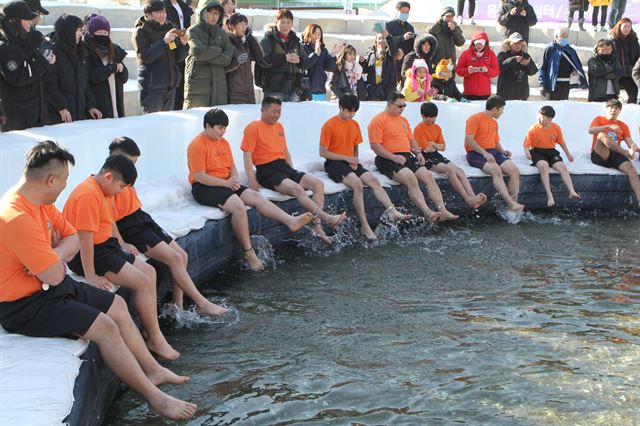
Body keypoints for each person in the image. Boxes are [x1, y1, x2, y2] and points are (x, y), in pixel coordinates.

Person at [0, 141, 197, 421]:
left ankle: (151, 368)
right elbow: (56, 273)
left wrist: (52, 256)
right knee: (105, 326)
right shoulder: (17, 216)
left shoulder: (39, 203)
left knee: (116, 304)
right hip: (24, 306)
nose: (65, 187)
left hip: (50, 288)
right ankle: (156, 399)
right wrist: (54, 261)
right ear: (50, 180)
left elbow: (72, 238)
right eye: (64, 181)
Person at [63, 155, 180, 361]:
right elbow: (84, 238)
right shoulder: (88, 195)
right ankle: (155, 338)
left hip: (106, 245)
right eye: (120, 187)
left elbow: (108, 223)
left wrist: (121, 242)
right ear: (108, 177)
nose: (120, 192)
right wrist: (90, 275)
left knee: (150, 272)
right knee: (143, 282)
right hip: (89, 252)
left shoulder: (103, 189)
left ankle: (151, 331)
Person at [109, 137, 228, 316]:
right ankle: (201, 302)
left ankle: (177, 305)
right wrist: (120, 242)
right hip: (129, 227)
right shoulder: (109, 180)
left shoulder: (124, 175)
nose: (133, 167)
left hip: (141, 218)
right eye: (130, 162)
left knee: (182, 255)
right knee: (174, 258)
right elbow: (108, 217)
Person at [189, 108, 313, 270]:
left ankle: (290, 221)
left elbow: (231, 166)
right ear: (207, 126)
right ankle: (249, 253)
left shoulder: (223, 142)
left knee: (256, 197)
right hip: (205, 187)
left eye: (225, 128)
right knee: (239, 207)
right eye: (219, 128)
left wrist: (234, 178)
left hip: (225, 182)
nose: (223, 132)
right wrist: (227, 184)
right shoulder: (197, 145)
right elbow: (199, 176)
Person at [241, 97, 345, 244]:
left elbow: (285, 150)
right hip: (267, 170)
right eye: (273, 111)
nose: (276, 115)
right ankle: (327, 218)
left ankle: (316, 225)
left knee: (318, 184)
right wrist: (252, 179)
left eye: (279, 111)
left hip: (283, 167)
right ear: (263, 110)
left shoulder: (279, 127)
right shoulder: (253, 127)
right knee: (297, 189)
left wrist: (291, 170)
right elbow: (247, 154)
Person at [319, 94, 410, 240]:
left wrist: (354, 159)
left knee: (373, 181)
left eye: (354, 111)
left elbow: (355, 147)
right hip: (334, 163)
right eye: (349, 111)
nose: (351, 115)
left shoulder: (354, 124)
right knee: (358, 185)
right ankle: (365, 225)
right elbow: (323, 152)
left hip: (350, 161)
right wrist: (345, 158)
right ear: (341, 108)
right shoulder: (329, 125)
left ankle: (392, 210)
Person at [367, 92, 458, 222]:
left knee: (428, 177)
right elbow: (375, 146)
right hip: (387, 158)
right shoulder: (378, 121)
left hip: (407, 155)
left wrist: (418, 153)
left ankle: (442, 211)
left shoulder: (403, 120)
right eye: (399, 106)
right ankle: (427, 212)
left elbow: (411, 140)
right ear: (390, 104)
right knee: (411, 179)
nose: (402, 108)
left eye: (404, 105)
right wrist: (393, 157)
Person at [414, 102, 487, 209]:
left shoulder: (437, 128)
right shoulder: (418, 129)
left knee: (460, 171)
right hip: (426, 157)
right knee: (449, 170)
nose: (433, 120)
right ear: (423, 116)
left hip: (436, 154)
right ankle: (466, 198)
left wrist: (433, 144)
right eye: (430, 118)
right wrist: (436, 145)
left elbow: (443, 147)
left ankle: (473, 197)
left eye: (435, 117)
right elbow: (426, 149)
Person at [465, 95, 524, 212]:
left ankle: (513, 206)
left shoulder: (494, 123)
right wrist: (484, 153)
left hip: (493, 152)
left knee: (514, 171)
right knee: (496, 170)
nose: (502, 112)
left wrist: (503, 151)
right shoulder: (474, 118)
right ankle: (510, 203)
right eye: (502, 109)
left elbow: (496, 142)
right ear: (495, 109)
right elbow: (469, 140)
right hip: (476, 153)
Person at [0, 1, 51, 131]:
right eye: (26, 18)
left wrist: (45, 59)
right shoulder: (5, 47)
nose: (30, 21)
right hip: (17, 119)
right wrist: (42, 63)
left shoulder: (23, 41)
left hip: (32, 115)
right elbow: (17, 77)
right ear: (15, 20)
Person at [132, 0, 189, 114]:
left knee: (167, 124)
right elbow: (145, 57)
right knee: (151, 124)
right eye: (158, 12)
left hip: (170, 85)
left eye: (163, 12)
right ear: (148, 14)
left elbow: (178, 58)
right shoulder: (141, 30)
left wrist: (183, 44)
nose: (162, 15)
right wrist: (164, 42)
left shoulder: (170, 28)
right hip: (152, 87)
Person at [46, 14, 102, 124]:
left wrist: (91, 106)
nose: (81, 34)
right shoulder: (53, 52)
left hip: (79, 116)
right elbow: (49, 85)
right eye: (79, 30)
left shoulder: (81, 52)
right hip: (59, 117)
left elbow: (85, 84)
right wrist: (61, 107)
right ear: (69, 31)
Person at [523, 105, 580, 207]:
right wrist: (527, 152)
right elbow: (526, 144)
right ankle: (550, 195)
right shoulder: (533, 129)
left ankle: (572, 191)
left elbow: (561, 142)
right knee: (544, 167)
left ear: (549, 119)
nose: (539, 119)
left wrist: (568, 154)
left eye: (542, 117)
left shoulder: (556, 128)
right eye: (538, 116)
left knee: (562, 167)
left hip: (551, 151)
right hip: (537, 152)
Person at [589, 98, 640, 204]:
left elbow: (630, 142)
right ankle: (625, 153)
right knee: (601, 135)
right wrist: (608, 126)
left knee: (631, 170)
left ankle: (639, 198)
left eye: (616, 108)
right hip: (601, 153)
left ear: (619, 111)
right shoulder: (599, 119)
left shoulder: (623, 125)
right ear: (606, 109)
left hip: (616, 154)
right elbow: (590, 130)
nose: (613, 110)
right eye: (611, 107)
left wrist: (634, 149)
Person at [183, 1, 233, 108]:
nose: (213, 16)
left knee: (216, 121)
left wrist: (206, 56)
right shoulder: (192, 31)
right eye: (210, 13)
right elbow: (197, 51)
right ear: (202, 13)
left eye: (216, 13)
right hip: (198, 87)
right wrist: (218, 50)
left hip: (218, 87)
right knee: (195, 120)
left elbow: (227, 58)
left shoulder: (222, 34)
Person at [259, 9, 310, 102]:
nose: (285, 25)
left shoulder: (295, 41)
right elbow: (263, 60)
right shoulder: (268, 40)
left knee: (292, 116)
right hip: (273, 88)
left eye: (288, 22)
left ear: (292, 24)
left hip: (294, 88)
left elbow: (307, 62)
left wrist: (299, 61)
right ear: (276, 22)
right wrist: (284, 58)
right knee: (273, 115)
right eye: (282, 22)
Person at [83, 15, 128, 119]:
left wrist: (122, 71)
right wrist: (110, 69)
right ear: (91, 33)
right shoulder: (85, 50)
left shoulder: (114, 50)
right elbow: (91, 77)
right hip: (98, 102)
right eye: (98, 32)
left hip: (115, 100)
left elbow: (124, 78)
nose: (102, 36)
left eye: (105, 33)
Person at [225, 13, 268, 104]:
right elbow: (223, 67)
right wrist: (236, 62)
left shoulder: (247, 42)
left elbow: (260, 57)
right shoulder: (227, 41)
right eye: (240, 24)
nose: (244, 27)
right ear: (232, 26)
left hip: (249, 93)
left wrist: (250, 38)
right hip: (234, 93)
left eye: (245, 24)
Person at [538, 27, 587, 100]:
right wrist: (542, 84)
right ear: (556, 37)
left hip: (566, 85)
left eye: (566, 37)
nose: (565, 39)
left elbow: (578, 66)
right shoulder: (549, 49)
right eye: (562, 36)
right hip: (552, 85)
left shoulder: (570, 51)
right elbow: (542, 68)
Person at [163, 0, 193, 110]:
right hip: (171, 44)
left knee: (182, 84)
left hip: (183, 44)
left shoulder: (182, 5)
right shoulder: (163, 4)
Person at [300, 23, 340, 101]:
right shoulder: (302, 48)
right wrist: (316, 53)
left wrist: (332, 55)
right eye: (314, 34)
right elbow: (304, 66)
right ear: (308, 34)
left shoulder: (323, 50)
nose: (317, 37)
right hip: (306, 89)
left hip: (320, 89)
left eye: (319, 34)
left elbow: (329, 68)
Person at [455, 31, 499, 101]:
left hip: (485, 94)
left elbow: (496, 71)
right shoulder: (466, 53)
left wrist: (487, 70)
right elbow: (458, 70)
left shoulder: (491, 54)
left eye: (481, 43)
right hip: (469, 93)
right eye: (477, 43)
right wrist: (467, 71)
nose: (479, 46)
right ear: (473, 43)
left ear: (485, 44)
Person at [497, 32, 538, 101]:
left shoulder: (525, 55)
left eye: (520, 43)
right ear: (509, 43)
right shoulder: (502, 55)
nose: (518, 45)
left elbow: (533, 72)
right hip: (505, 93)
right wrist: (513, 60)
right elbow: (499, 69)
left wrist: (528, 64)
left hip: (521, 93)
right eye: (515, 43)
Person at [385, 1, 415, 85]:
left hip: (406, 61)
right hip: (394, 60)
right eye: (402, 12)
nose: (405, 14)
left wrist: (414, 38)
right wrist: (403, 37)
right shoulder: (389, 25)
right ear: (397, 11)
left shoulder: (410, 27)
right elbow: (388, 41)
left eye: (407, 12)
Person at [611, 18, 639, 104]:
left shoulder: (634, 40)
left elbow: (638, 55)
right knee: (613, 98)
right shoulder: (612, 40)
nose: (627, 28)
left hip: (630, 72)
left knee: (633, 95)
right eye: (625, 26)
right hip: (616, 72)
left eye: (629, 26)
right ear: (619, 27)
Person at [363, 31, 397, 101]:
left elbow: (393, 49)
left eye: (384, 38)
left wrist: (388, 37)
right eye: (379, 38)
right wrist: (362, 62)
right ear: (376, 41)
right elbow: (365, 70)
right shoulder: (370, 54)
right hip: (373, 90)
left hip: (388, 90)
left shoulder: (390, 54)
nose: (381, 40)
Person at [587, 38, 623, 102]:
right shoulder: (593, 59)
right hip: (597, 94)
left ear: (612, 49)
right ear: (598, 49)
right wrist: (611, 68)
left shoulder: (615, 59)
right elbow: (596, 70)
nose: (606, 51)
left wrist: (612, 75)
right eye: (603, 50)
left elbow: (619, 71)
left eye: (608, 49)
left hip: (612, 93)